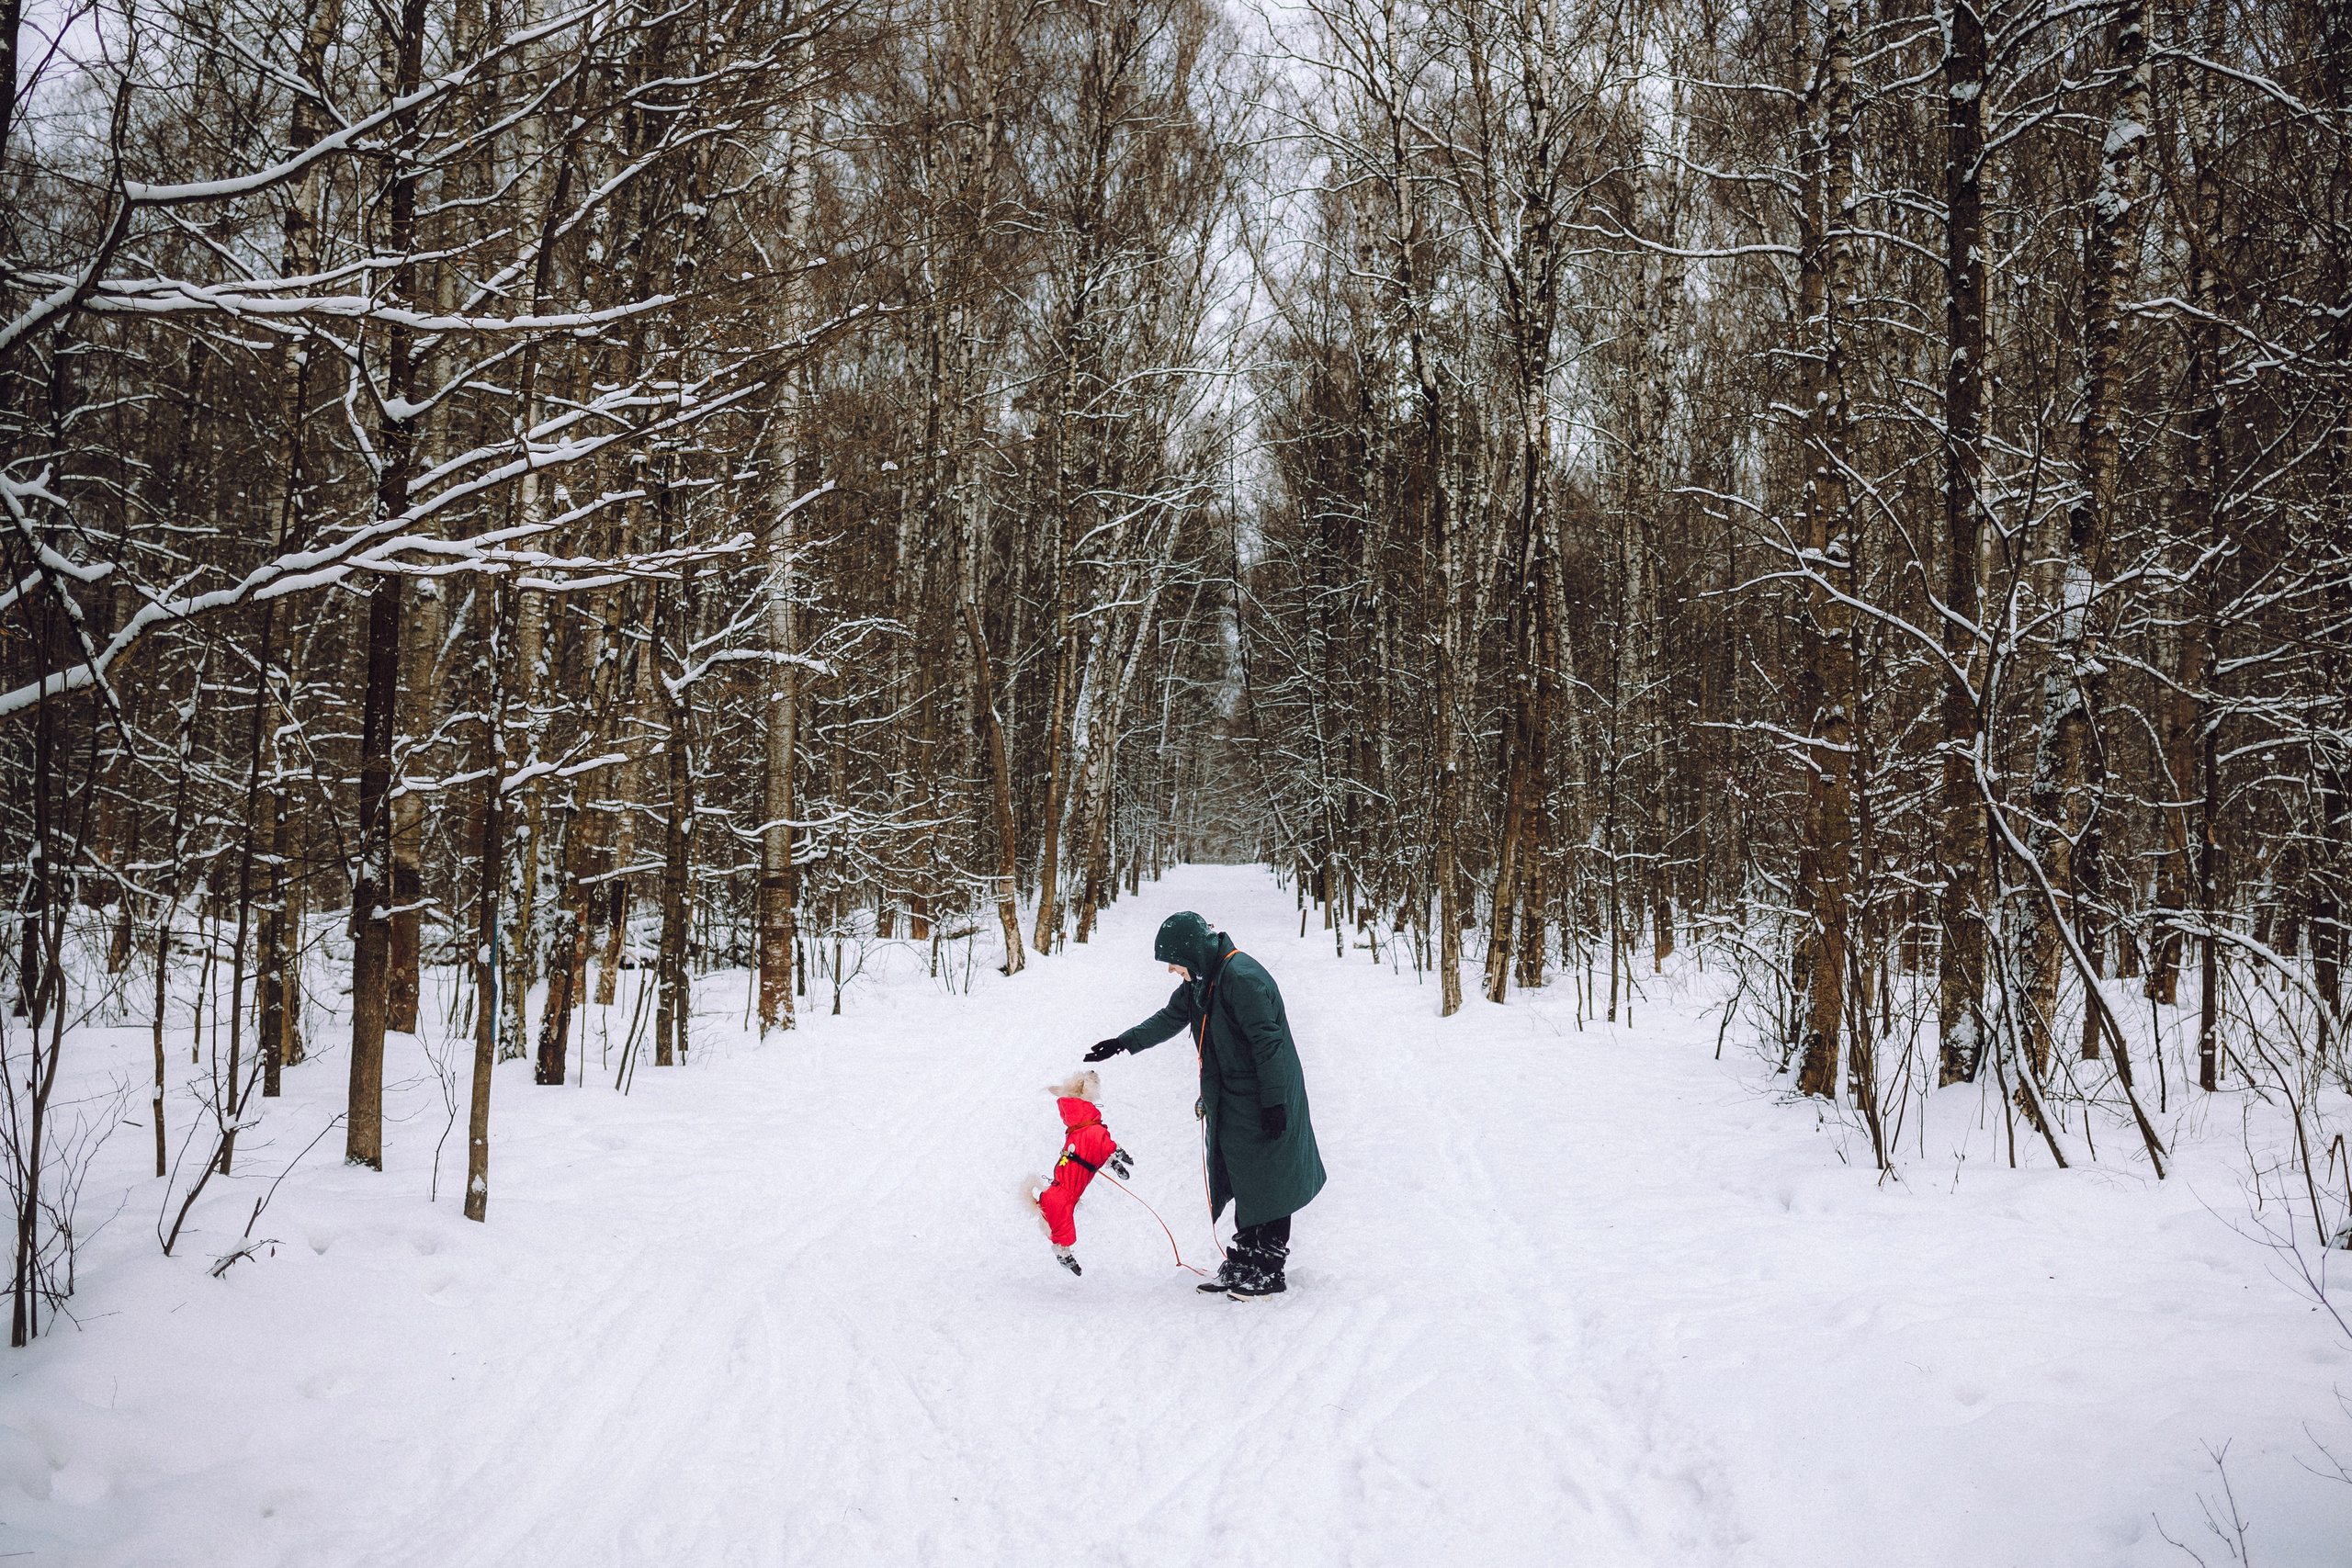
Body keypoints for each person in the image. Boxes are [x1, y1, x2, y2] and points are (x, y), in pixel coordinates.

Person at [1085, 911, 1325, 1300]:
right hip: (1233, 1094)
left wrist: (1275, 1103)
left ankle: (1269, 1269)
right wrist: (1123, 1042)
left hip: (1265, 1093)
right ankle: (1246, 1260)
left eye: (1174, 963)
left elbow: (1269, 1046)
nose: (1171, 971)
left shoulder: (1241, 980)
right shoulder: (1204, 980)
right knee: (1242, 1173)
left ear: (1192, 954)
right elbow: (1170, 1017)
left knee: (1271, 1177)